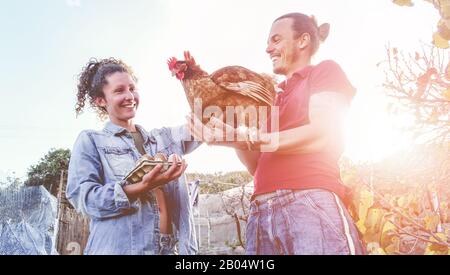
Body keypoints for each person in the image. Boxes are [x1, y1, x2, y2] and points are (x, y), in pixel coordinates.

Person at [189, 13, 364, 255]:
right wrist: (229, 136)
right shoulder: (272, 98)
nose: (268, 48)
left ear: (302, 41)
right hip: (261, 211)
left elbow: (323, 133)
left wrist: (248, 136)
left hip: (308, 201)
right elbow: (257, 166)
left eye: (276, 40)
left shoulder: (323, 71)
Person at [66, 58, 201, 255]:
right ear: (101, 100)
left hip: (166, 249)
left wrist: (194, 76)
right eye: (119, 91)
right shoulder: (92, 141)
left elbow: (205, 124)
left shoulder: (162, 139)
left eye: (132, 88)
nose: (130, 96)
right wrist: (140, 187)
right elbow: (84, 199)